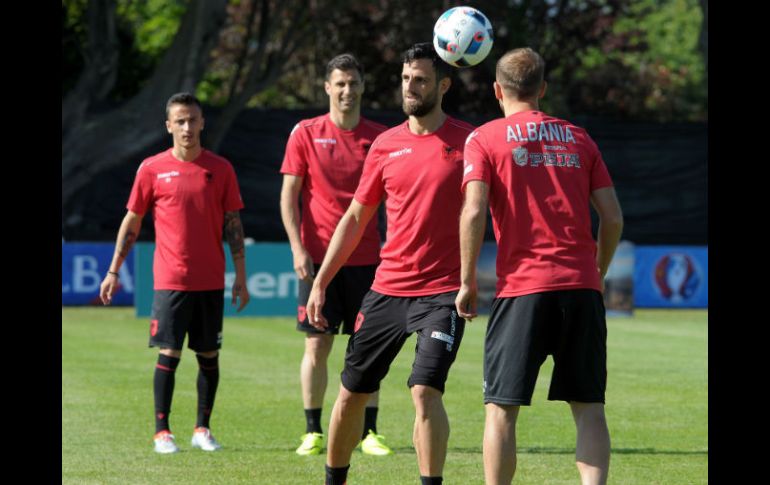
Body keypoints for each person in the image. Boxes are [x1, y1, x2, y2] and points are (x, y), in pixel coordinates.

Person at [306, 42, 475, 485]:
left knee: (424, 390)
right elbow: (356, 218)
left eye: (420, 79)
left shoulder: (469, 142)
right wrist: (322, 280)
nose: (410, 87)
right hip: (387, 290)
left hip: (442, 293)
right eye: (405, 79)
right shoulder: (384, 145)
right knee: (350, 396)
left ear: (443, 85)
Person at [456, 47, 624, 485]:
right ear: (543, 89)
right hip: (581, 288)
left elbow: (473, 211)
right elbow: (613, 217)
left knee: (500, 410)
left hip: (523, 291)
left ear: (497, 90)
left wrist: (466, 279)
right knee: (589, 409)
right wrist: (597, 271)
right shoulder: (579, 138)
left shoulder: (484, 138)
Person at [99, 92, 251, 454]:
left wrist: (241, 276)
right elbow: (132, 221)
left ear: (202, 123)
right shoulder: (151, 169)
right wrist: (113, 270)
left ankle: (203, 429)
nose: (187, 127)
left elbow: (233, 224)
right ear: (168, 126)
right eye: (179, 121)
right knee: (169, 353)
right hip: (171, 281)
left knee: (209, 356)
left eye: (192, 120)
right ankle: (162, 432)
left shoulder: (221, 169)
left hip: (211, 280)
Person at [279, 53, 392, 457]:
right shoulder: (305, 133)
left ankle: (370, 434)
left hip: (369, 264)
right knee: (317, 347)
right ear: (327, 87)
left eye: (353, 83)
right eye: (339, 83)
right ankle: (312, 431)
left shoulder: (380, 138)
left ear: (363, 87)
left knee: (368, 348)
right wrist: (297, 248)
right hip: (316, 262)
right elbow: (288, 197)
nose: (347, 90)